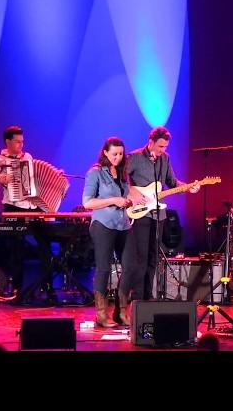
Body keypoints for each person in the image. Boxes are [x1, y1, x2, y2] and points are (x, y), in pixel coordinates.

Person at [0, 125, 52, 298]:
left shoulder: (28, 157)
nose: (21, 145)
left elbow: (35, 180)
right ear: (8, 142)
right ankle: (17, 287)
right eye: (17, 142)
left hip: (32, 206)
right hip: (13, 206)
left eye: (22, 142)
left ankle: (47, 286)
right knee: (16, 248)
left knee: (44, 244)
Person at [126, 126, 199, 302]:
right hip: (140, 213)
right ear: (150, 142)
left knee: (154, 256)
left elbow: (172, 182)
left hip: (158, 215)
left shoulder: (165, 159)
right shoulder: (134, 157)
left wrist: (189, 187)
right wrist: (131, 192)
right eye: (160, 147)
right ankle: (137, 296)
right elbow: (119, 181)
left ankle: (148, 296)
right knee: (141, 257)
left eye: (165, 147)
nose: (162, 150)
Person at [83, 137, 146, 327]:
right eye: (114, 154)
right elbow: (88, 202)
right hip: (103, 224)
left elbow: (127, 195)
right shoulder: (95, 173)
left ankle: (121, 311)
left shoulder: (121, 173)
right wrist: (113, 200)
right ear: (105, 153)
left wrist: (132, 199)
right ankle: (101, 315)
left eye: (120, 154)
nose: (118, 158)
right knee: (103, 268)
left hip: (124, 224)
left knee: (132, 266)